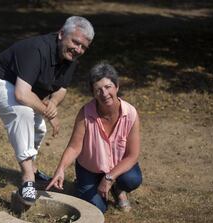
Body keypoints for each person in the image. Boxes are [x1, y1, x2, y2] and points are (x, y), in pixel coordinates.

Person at [0, 16, 94, 206]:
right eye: (75, 42)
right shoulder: (37, 49)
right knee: (22, 114)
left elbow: (61, 88)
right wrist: (49, 114)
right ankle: (27, 179)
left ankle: (31, 165)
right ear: (61, 34)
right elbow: (22, 94)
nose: (78, 49)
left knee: (39, 129)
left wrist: (53, 104)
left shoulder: (71, 57)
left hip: (22, 88)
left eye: (83, 47)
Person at [46, 62, 142, 213]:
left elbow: (133, 155)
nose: (104, 93)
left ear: (117, 86)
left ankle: (117, 188)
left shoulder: (131, 114)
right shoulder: (85, 113)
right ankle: (87, 184)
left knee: (132, 179)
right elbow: (74, 147)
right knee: (97, 209)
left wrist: (109, 177)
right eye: (98, 89)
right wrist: (61, 168)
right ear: (92, 93)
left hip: (117, 167)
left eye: (108, 87)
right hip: (90, 168)